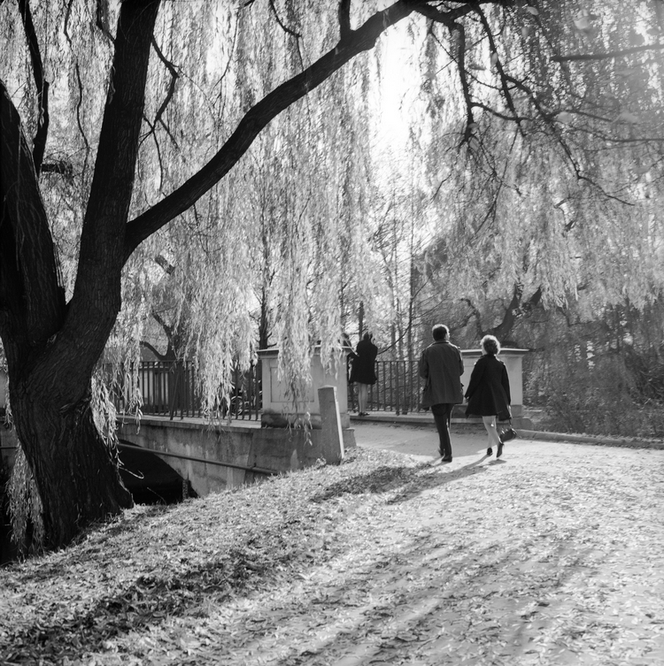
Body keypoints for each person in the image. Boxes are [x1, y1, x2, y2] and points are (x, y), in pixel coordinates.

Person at [419, 324, 464, 462]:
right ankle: (443, 447)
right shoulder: (455, 350)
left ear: (434, 336)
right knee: (446, 421)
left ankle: (448, 452)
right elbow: (461, 370)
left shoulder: (428, 351)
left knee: (441, 422)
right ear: (445, 335)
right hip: (452, 390)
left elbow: (423, 372)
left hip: (436, 390)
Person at [465, 334, 512, 458]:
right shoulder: (500, 364)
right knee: (492, 422)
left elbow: (474, 380)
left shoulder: (481, 362)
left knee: (487, 423)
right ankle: (489, 447)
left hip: (485, 395)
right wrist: (508, 401)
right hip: (498, 397)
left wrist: (468, 394)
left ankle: (498, 443)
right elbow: (505, 384)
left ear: (485, 348)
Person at [349, 332, 378, 416]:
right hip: (367, 369)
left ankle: (360, 410)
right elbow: (372, 357)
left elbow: (358, 353)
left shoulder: (360, 344)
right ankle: (363, 410)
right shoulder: (373, 347)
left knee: (360, 390)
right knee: (365, 390)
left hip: (358, 368)